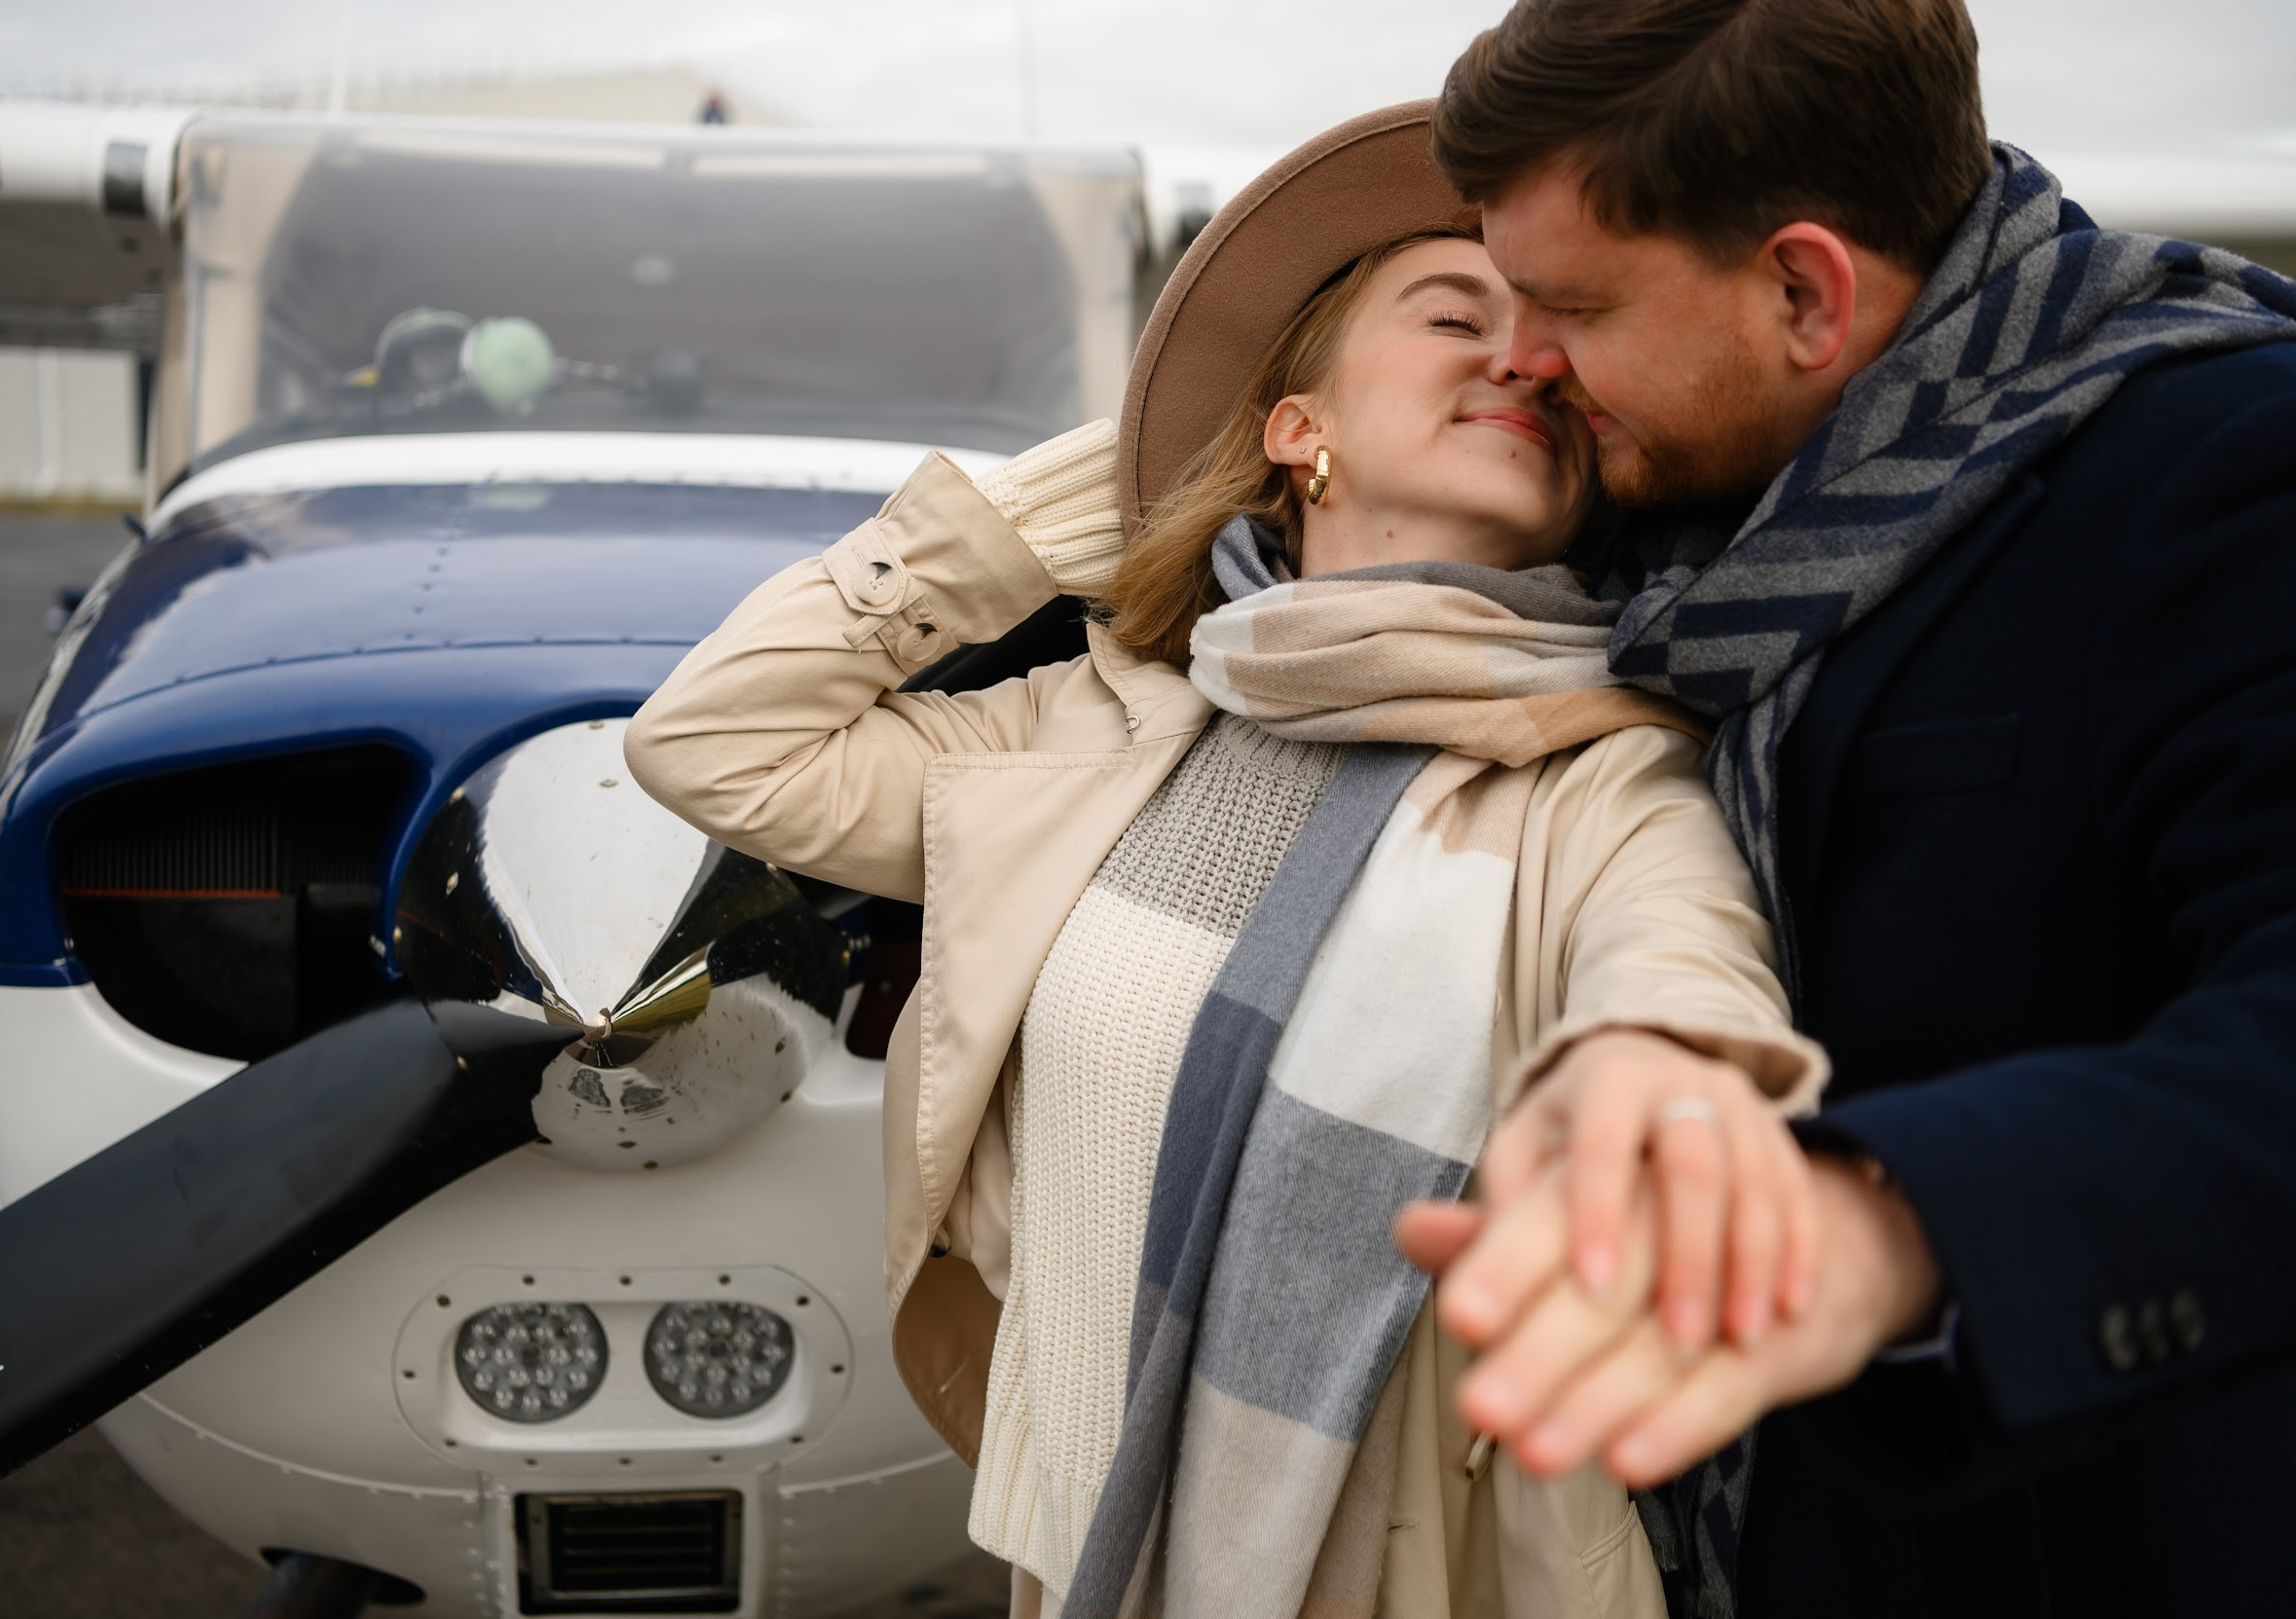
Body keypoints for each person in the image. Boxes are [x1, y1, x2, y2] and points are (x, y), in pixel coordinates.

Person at [626, 107, 1828, 1618]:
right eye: (1457, 315)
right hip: (1080, 1562)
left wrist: (1673, 1074)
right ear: (1297, 425)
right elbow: (715, 742)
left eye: (1553, 352)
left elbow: (1682, 967)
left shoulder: (1603, 775)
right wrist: (1030, 512)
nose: (1523, 357)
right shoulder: (1090, 732)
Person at [1395, 2, 2296, 1616]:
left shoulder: (2240, 465)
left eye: (1568, 305)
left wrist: (1895, 1226)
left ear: (1802, 289)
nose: (1523, 360)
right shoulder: (1668, 533)